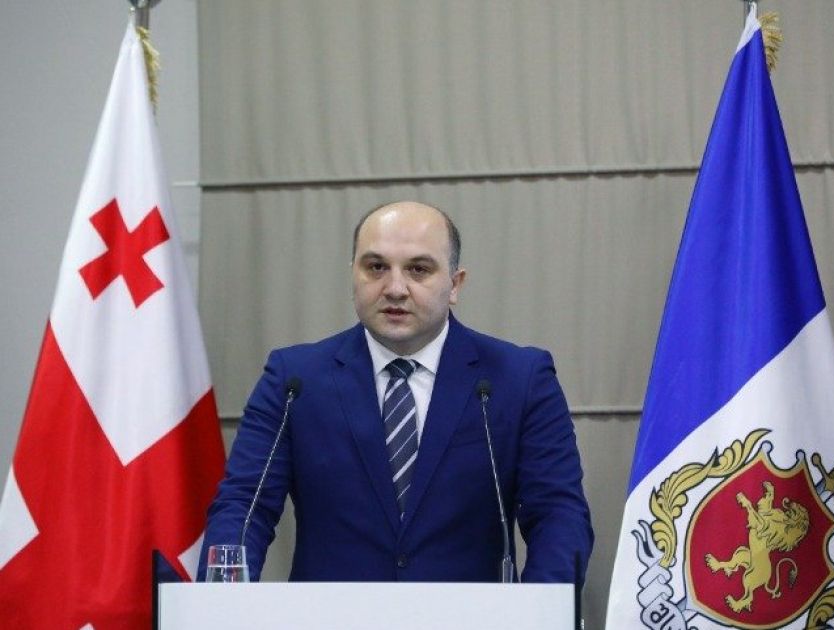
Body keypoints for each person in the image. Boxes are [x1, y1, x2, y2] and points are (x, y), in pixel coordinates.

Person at [198, 201, 593, 584]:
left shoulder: (518, 378)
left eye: (418, 269)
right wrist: (221, 603)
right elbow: (244, 507)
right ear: (353, 275)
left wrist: (543, 611)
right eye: (376, 267)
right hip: (332, 616)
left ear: (455, 284)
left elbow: (557, 514)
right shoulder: (295, 380)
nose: (395, 288)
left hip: (469, 617)